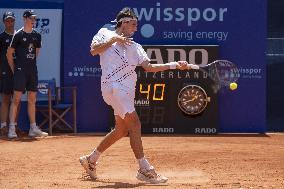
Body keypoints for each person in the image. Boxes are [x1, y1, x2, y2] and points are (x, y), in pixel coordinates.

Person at [79, 7, 198, 184]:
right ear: (124, 23)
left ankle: (91, 159)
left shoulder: (136, 47)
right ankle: (144, 169)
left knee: (121, 129)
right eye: (133, 24)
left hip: (125, 91)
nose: (136, 28)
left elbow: (150, 67)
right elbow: (94, 50)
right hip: (113, 88)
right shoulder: (104, 33)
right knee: (134, 123)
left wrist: (175, 65)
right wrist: (113, 40)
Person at [6, 10, 48, 138]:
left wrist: (29, 66)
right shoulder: (18, 35)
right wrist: (15, 70)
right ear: (25, 19)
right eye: (31, 18)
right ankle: (12, 129)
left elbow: (36, 54)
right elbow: (9, 54)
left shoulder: (37, 35)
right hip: (20, 71)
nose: (33, 20)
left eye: (34, 18)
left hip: (32, 71)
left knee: (32, 99)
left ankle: (33, 128)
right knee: (16, 99)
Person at [0, 11, 22, 137]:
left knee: (17, 99)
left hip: (18, 72)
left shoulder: (19, 36)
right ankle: (3, 127)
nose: (10, 23)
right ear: (4, 22)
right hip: (5, 71)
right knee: (6, 98)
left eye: (12, 20)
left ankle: (13, 125)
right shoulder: (1, 37)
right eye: (7, 21)